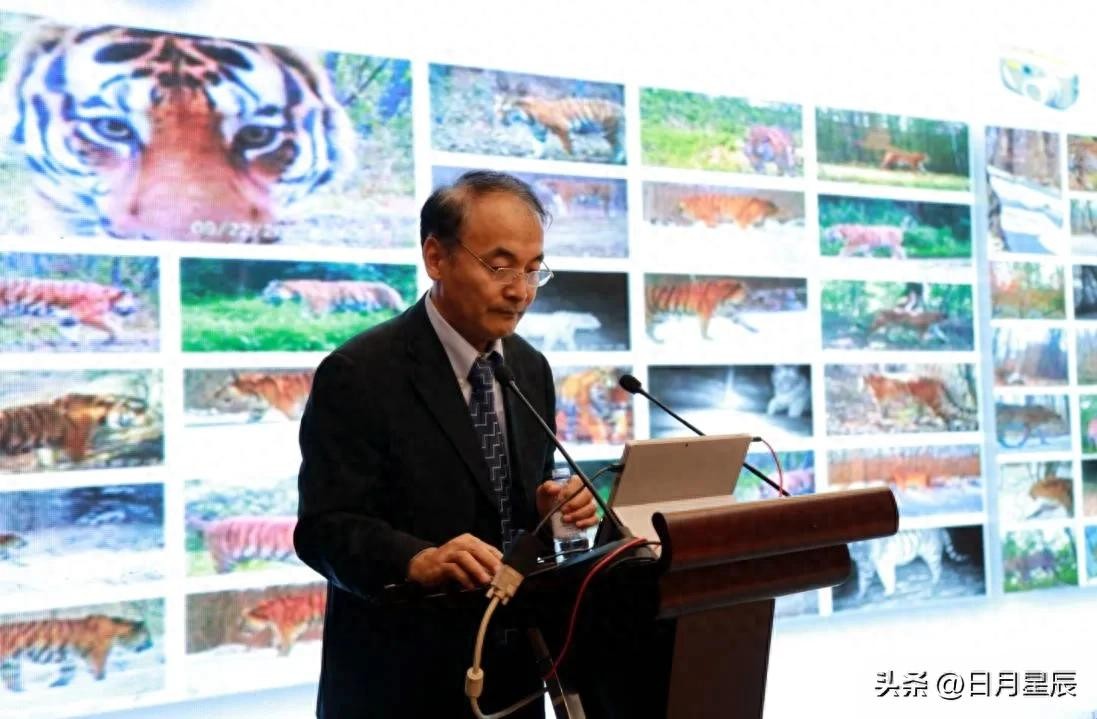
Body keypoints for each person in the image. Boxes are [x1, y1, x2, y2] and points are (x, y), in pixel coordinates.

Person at [294, 170, 599, 718]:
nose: (521, 290)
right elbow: (324, 529)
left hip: (512, 677)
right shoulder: (360, 373)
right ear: (436, 257)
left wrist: (551, 508)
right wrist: (417, 559)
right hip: (400, 681)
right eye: (500, 266)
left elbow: (514, 494)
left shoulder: (529, 367)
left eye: (533, 269)